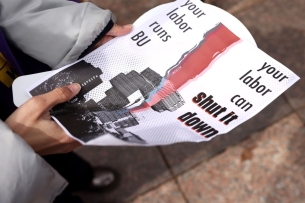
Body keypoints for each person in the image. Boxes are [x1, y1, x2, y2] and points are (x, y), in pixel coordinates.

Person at [0, 0, 132, 202]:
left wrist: (78, 35)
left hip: (11, 82)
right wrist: (13, 153)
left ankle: (83, 177)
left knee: (57, 143)